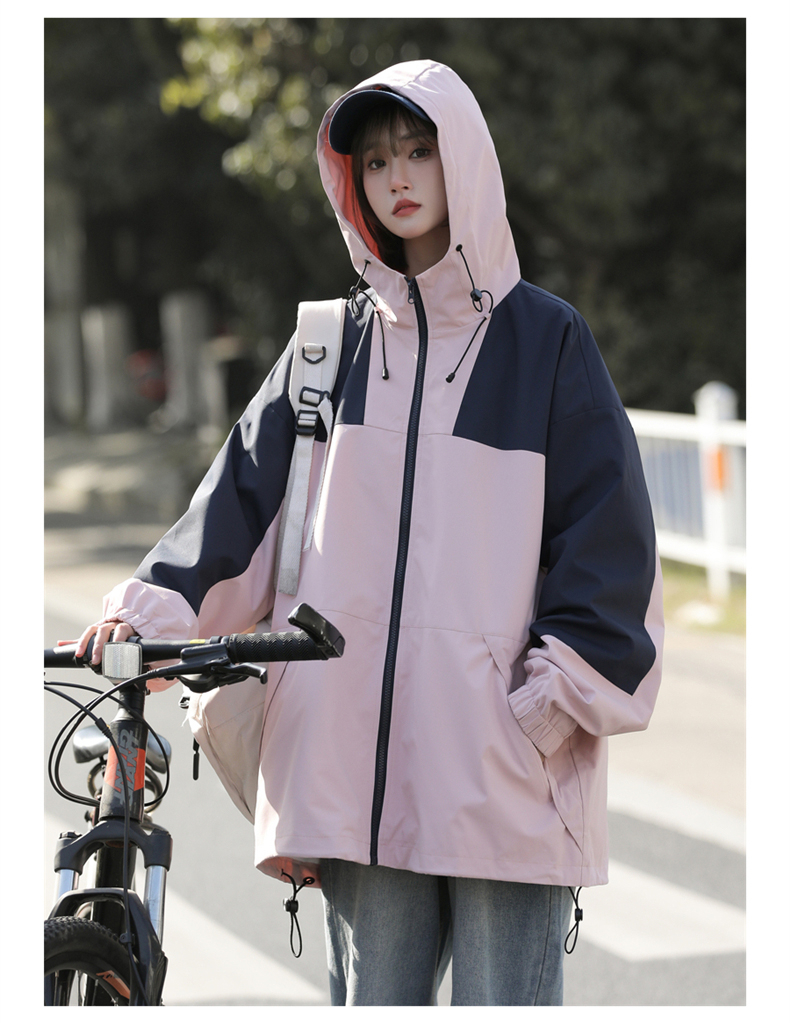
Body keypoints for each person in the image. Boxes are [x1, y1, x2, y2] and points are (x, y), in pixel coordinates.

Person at [74, 59, 664, 1005]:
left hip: (502, 765)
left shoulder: (548, 342)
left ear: (461, 160)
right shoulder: (325, 346)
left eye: (419, 152)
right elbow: (234, 508)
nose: (397, 177)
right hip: (355, 770)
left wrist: (548, 706)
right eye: (378, 160)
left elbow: (611, 545)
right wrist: (146, 612)